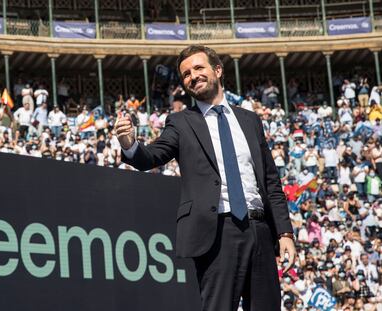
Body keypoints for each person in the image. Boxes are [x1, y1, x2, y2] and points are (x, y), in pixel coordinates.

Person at [115, 45, 296, 311]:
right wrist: (129, 144)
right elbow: (151, 156)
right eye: (186, 74)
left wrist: (285, 232)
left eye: (199, 68)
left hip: (260, 230)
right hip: (217, 233)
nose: (192, 76)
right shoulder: (180, 122)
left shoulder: (249, 120)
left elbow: (271, 182)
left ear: (218, 70)